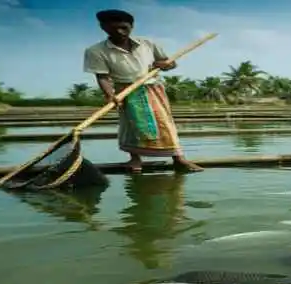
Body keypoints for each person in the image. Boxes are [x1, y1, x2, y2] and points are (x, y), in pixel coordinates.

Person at [83, 9, 202, 173]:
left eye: (124, 28)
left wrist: (166, 65)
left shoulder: (147, 43)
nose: (119, 32)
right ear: (103, 27)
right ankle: (135, 159)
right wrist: (110, 95)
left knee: (165, 123)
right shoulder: (96, 51)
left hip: (152, 88)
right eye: (113, 28)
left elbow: (170, 63)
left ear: (131, 26)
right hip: (125, 90)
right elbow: (102, 76)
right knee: (132, 125)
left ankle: (179, 159)